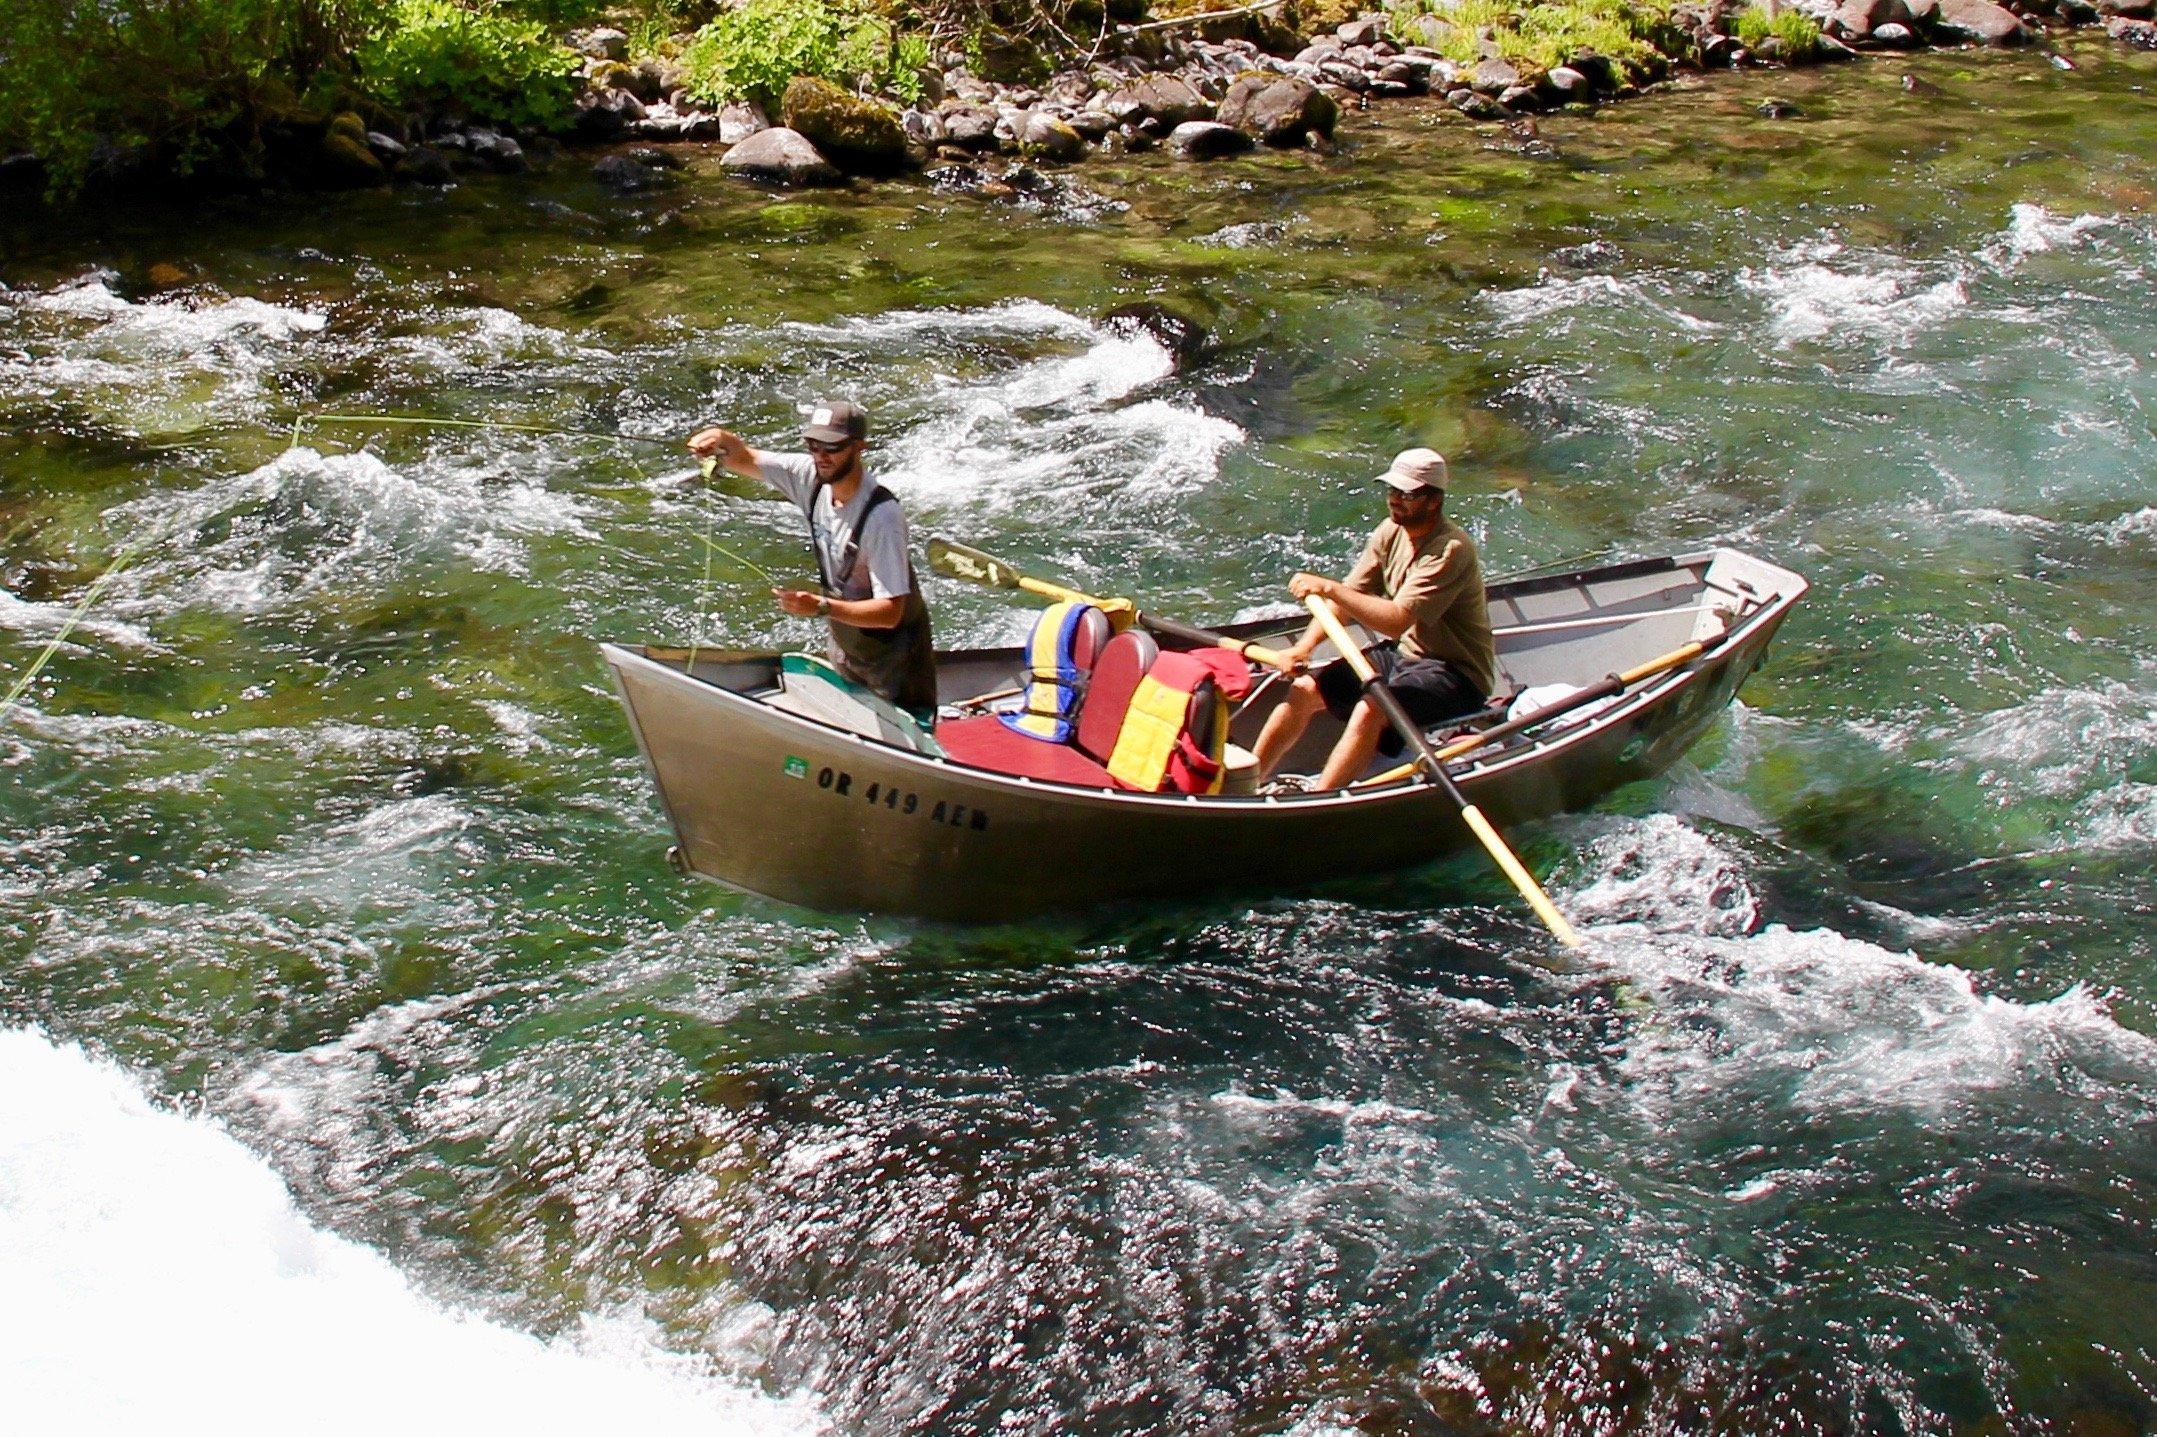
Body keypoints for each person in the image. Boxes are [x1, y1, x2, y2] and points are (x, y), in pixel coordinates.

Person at [1251, 447, 1498, 791]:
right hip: (1405, 654)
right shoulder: (1389, 531)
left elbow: (1397, 620)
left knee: (1372, 708)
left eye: (1407, 494)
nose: (1395, 500)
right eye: (1392, 491)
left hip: (1456, 673)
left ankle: (1322, 800)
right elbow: (1349, 600)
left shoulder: (1449, 550)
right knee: (1305, 688)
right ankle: (1245, 784)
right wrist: (1303, 648)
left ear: (1434, 501)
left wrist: (1330, 588)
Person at [687, 399, 938, 721]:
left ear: (859, 447)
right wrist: (719, 438)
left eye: (832, 447)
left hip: (896, 664)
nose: (821, 455)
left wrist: (820, 607)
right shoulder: (810, 477)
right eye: (813, 445)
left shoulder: (882, 517)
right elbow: (744, 457)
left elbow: (891, 612)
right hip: (848, 647)